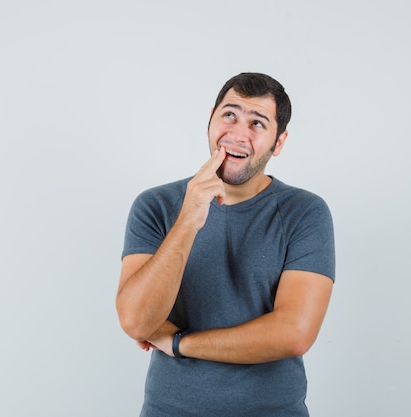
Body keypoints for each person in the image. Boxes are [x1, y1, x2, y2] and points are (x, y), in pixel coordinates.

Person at [116, 72, 335, 416]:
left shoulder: (304, 212)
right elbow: (135, 321)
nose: (238, 134)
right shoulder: (156, 205)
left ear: (279, 143)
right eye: (229, 114)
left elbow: (293, 333)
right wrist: (188, 219)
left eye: (258, 123)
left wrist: (179, 343)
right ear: (210, 120)